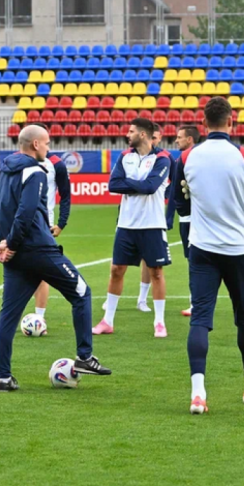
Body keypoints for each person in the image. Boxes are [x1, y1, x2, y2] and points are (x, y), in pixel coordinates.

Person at [0, 125, 111, 392]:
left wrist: (1, 243)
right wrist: (13, 243)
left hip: (15, 256)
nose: (48, 148)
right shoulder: (35, 172)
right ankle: (85, 357)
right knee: (81, 292)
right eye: (47, 144)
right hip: (39, 250)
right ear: (34, 146)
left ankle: (3, 376)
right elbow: (27, 212)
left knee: (8, 315)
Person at [176, 96, 244, 414]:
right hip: (239, 249)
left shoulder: (187, 156)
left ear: (203, 124)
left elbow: (180, 203)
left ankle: (198, 394)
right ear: (231, 122)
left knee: (200, 320)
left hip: (202, 248)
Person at [93, 118, 173, 338]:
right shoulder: (124, 156)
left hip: (152, 224)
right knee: (116, 270)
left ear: (144, 135)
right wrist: (137, 185)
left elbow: (150, 187)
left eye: (131, 131)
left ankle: (159, 322)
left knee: (156, 272)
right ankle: (107, 321)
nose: (127, 135)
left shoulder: (163, 159)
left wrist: (129, 185)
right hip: (126, 225)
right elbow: (113, 185)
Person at [31, 140, 71, 321]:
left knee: (41, 271)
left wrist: (61, 223)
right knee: (16, 272)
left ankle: (39, 318)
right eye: (45, 142)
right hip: (19, 225)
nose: (48, 146)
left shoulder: (56, 164)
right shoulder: (16, 161)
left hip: (44, 226)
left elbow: (65, 194)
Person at [174, 125, 201, 318]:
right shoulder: (182, 159)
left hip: (193, 219)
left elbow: (176, 191)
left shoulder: (190, 158)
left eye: (179, 137)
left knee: (196, 262)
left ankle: (197, 303)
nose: (176, 140)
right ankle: (197, 301)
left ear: (190, 139)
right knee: (194, 261)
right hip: (190, 218)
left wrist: (185, 210)